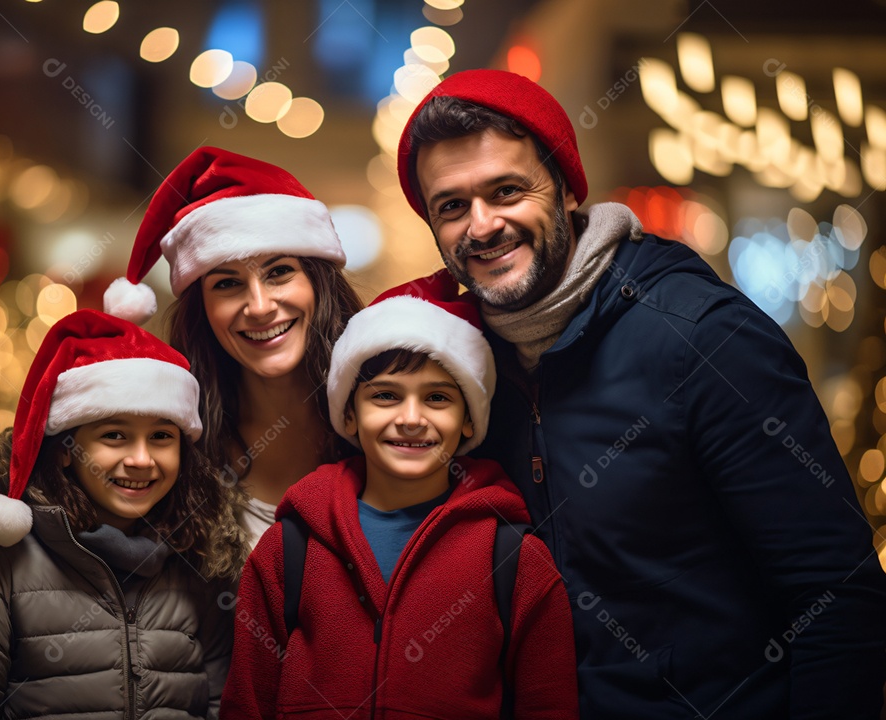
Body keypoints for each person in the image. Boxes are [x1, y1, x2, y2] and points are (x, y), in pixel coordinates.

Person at [395, 68, 886, 719]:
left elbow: (838, 601)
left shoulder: (703, 339)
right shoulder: (463, 367)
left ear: (567, 187)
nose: (482, 226)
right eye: (451, 206)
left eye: (507, 191)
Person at [220, 272, 579, 719]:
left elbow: (550, 706)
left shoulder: (514, 558)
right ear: (349, 415)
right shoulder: (289, 548)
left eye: (437, 399)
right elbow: (246, 704)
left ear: (469, 420)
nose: (411, 419)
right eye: (386, 396)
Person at [0, 309, 248, 719]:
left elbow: (219, 705)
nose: (141, 459)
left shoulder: (199, 564)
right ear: (67, 449)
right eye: (114, 435)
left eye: (161, 436)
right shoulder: (0, 564)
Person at [106, 147, 364, 549]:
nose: (260, 307)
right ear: (203, 310)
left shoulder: (388, 418)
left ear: (319, 284)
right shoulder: (167, 446)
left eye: (279, 272)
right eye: (227, 284)